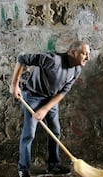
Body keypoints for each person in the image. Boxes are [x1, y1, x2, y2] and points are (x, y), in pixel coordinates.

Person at [9, 41, 90, 177]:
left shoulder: (76, 69)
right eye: (84, 53)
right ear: (72, 53)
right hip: (32, 97)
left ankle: (54, 165)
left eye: (88, 53)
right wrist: (14, 84)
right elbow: (23, 59)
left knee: (55, 132)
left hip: (51, 100)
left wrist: (45, 109)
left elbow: (63, 92)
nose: (88, 57)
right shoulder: (52, 60)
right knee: (29, 134)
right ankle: (23, 169)